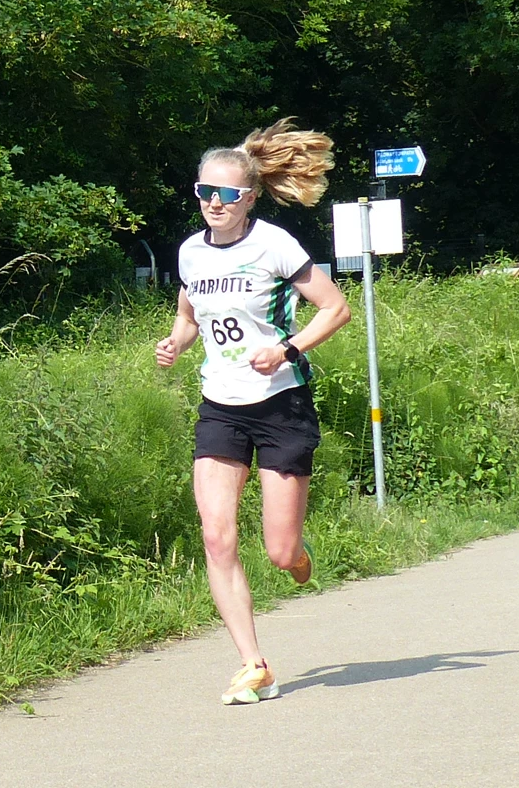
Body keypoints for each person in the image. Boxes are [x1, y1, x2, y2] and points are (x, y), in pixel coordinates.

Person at [156, 118, 351, 705]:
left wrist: (287, 347)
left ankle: (297, 558)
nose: (214, 204)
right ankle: (253, 663)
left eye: (228, 194)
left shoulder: (275, 245)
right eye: (204, 192)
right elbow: (190, 317)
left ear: (250, 197)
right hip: (220, 406)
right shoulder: (190, 251)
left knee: (278, 551)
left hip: (280, 404)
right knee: (217, 538)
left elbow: (335, 308)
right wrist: (175, 343)